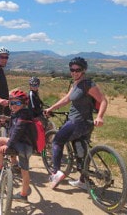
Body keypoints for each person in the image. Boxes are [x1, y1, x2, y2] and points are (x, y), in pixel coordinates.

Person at [45, 57, 108, 190]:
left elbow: (103, 100)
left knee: (57, 141)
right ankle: (83, 180)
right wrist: (51, 108)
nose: (74, 72)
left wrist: (100, 117)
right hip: (86, 124)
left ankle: (56, 172)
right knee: (81, 151)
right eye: (72, 70)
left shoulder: (87, 84)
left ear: (84, 70)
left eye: (77, 70)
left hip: (76, 122)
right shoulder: (75, 84)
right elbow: (66, 99)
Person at [0, 90, 37, 202]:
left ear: (24, 103)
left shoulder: (22, 116)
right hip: (27, 147)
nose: (14, 106)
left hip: (20, 145)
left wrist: (8, 145)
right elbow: (18, 123)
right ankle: (23, 195)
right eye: (12, 103)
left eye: (17, 103)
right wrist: (8, 119)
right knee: (25, 171)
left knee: (0, 141)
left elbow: (18, 131)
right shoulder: (24, 114)